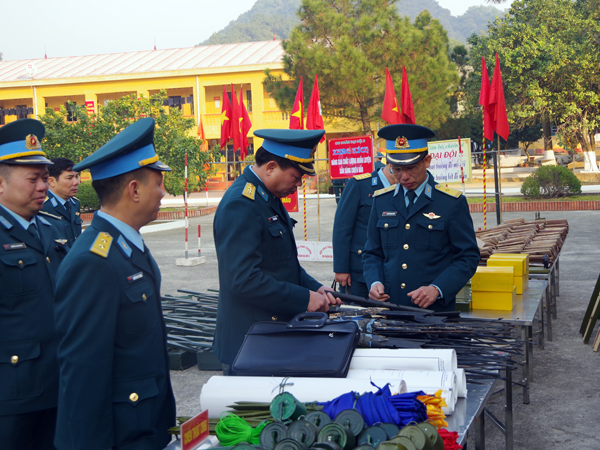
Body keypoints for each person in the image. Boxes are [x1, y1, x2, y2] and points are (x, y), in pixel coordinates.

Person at [52, 118, 176, 450]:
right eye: (159, 183)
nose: (165, 193)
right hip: (120, 435)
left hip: (144, 426)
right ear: (134, 189)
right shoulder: (93, 262)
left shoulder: (125, 245)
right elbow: (82, 375)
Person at [213, 128, 342, 369]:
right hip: (248, 341)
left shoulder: (267, 198)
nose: (298, 185)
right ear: (271, 167)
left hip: (267, 335)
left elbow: (282, 264)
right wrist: (305, 298)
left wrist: (316, 289)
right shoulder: (241, 204)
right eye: (295, 177)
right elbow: (243, 280)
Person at [0, 119, 69, 450]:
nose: (43, 186)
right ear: (1, 183)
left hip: (57, 383)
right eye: (33, 179)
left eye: (44, 178)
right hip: (11, 395)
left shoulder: (51, 228)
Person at [362, 124, 480, 312]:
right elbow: (372, 253)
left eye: (411, 168)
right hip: (393, 308)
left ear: (427, 161)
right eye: (397, 169)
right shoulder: (381, 201)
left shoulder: (450, 202)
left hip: (435, 311)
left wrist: (438, 288)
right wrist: (374, 281)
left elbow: (467, 257)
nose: (405, 176)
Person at [332, 161, 398, 298]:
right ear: (391, 166)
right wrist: (341, 269)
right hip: (358, 269)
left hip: (390, 268)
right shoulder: (360, 185)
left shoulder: (404, 188)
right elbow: (342, 228)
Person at [41, 157, 82, 246]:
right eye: (70, 178)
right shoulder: (42, 206)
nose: (76, 182)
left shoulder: (75, 204)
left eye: (76, 177)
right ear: (51, 181)